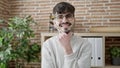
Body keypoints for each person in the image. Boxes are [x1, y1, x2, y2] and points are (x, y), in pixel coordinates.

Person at [41, 2, 92, 68]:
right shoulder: (47, 45)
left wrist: (68, 49)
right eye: (60, 17)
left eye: (68, 16)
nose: (64, 20)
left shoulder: (85, 45)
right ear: (54, 22)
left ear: (74, 19)